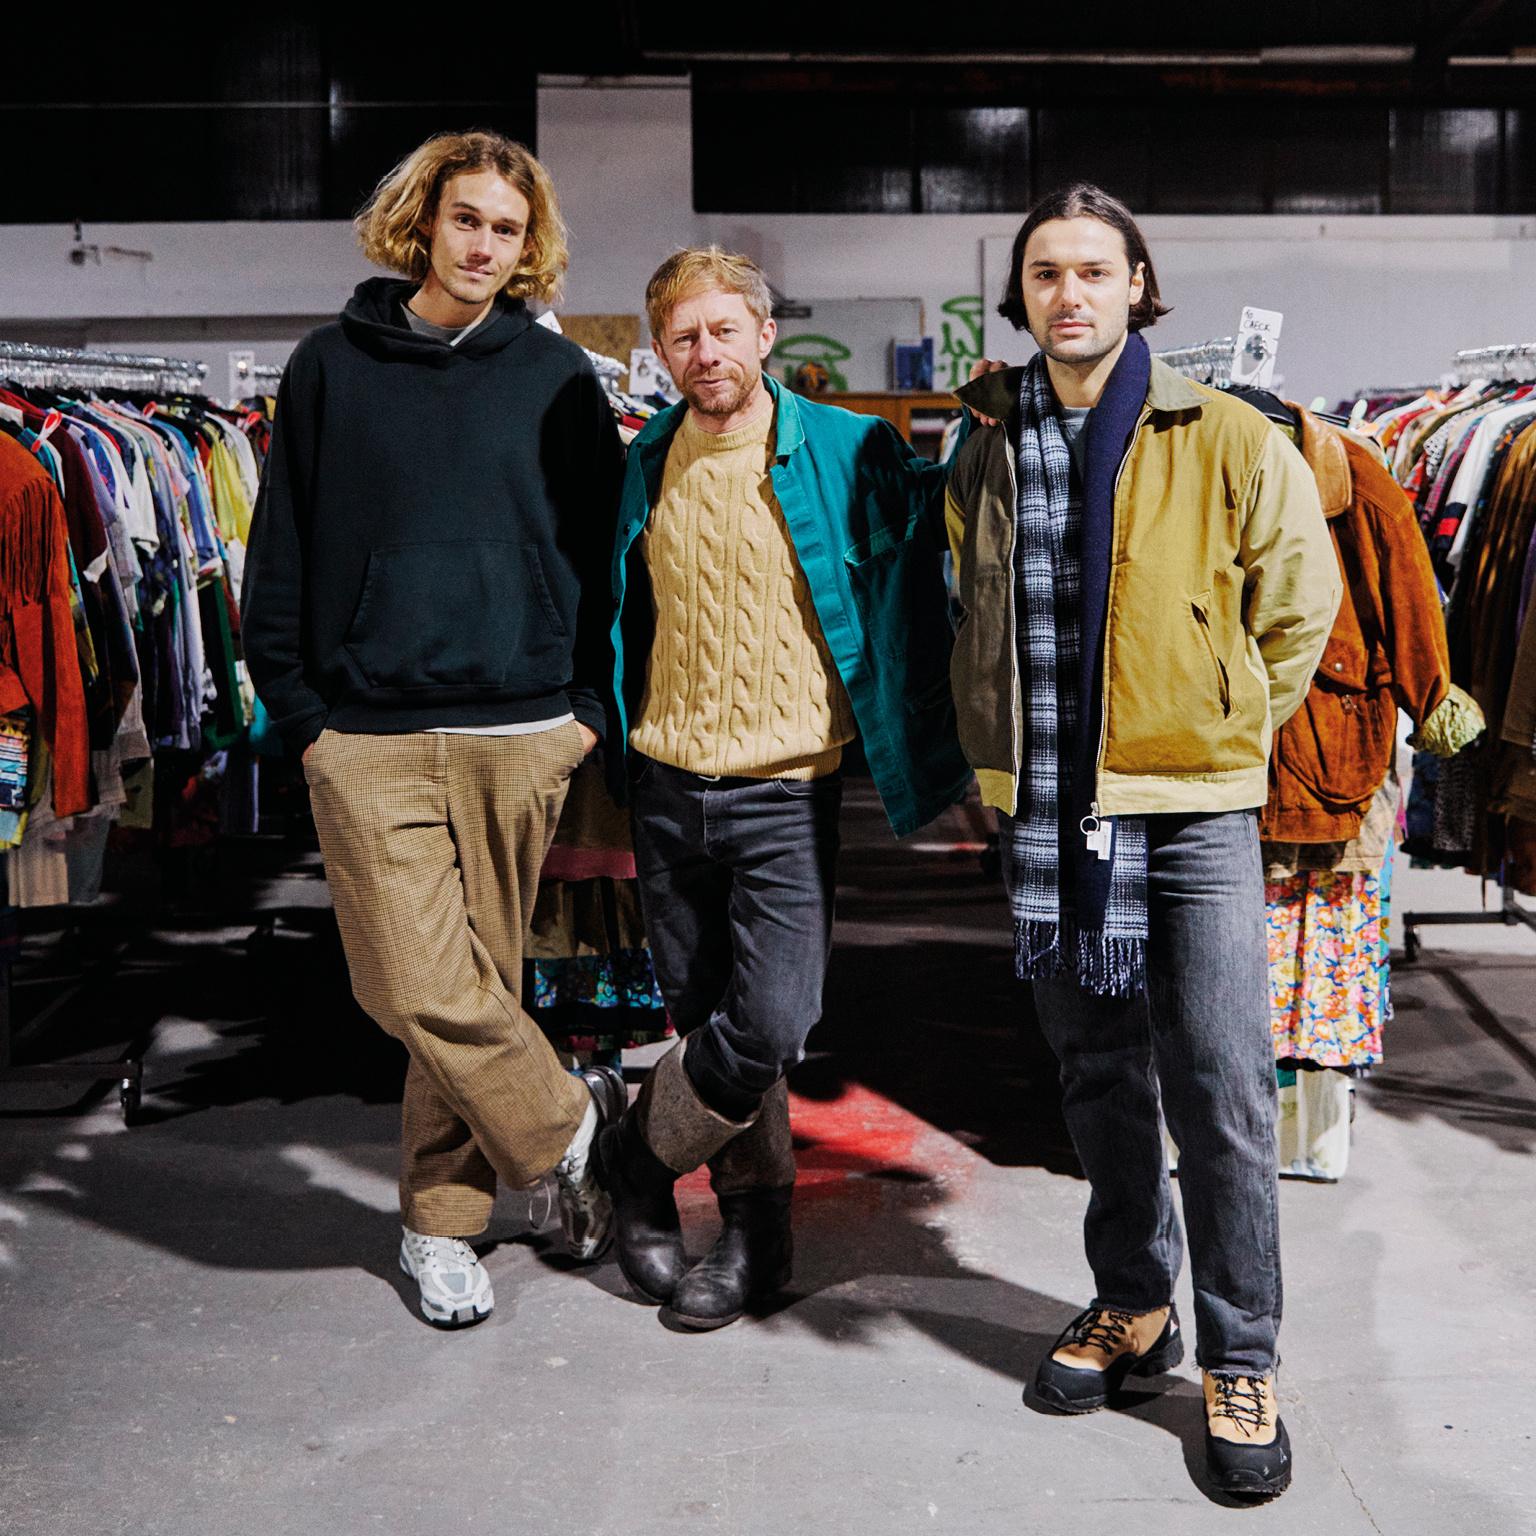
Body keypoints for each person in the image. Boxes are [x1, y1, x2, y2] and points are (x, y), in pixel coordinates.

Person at [949, 184, 1340, 1498]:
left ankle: (1242, 1354)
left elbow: (1300, 602)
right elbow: (970, 603)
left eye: (1093, 271)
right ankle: (1134, 1300)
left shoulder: (1225, 433)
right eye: (1045, 272)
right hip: (1052, 813)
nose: (1069, 292)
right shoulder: (986, 443)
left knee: (1222, 1087)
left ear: (1136, 286)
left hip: (1191, 812)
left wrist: (1219, 722)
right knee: (1096, 1074)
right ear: (1024, 294)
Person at [241, 130, 627, 1329]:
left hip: (523, 728)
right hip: (365, 732)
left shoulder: (557, 376)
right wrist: (301, 712)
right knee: (412, 982)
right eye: (467, 219)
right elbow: (282, 545)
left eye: (508, 229)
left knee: (475, 990)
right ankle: (571, 1126)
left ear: (528, 246)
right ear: (423, 222)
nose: (484, 246)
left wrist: (583, 711)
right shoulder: (328, 366)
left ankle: (441, 1226)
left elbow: (600, 556)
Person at [594, 246, 972, 1331]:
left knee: (770, 1023)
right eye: (684, 336)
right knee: (704, 1012)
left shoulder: (852, 449)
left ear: (765, 336)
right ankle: (755, 1233)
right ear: (660, 351)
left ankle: (633, 1156)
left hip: (785, 788)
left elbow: (940, 547)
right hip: (667, 784)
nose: (705, 352)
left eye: (725, 330)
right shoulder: (643, 460)